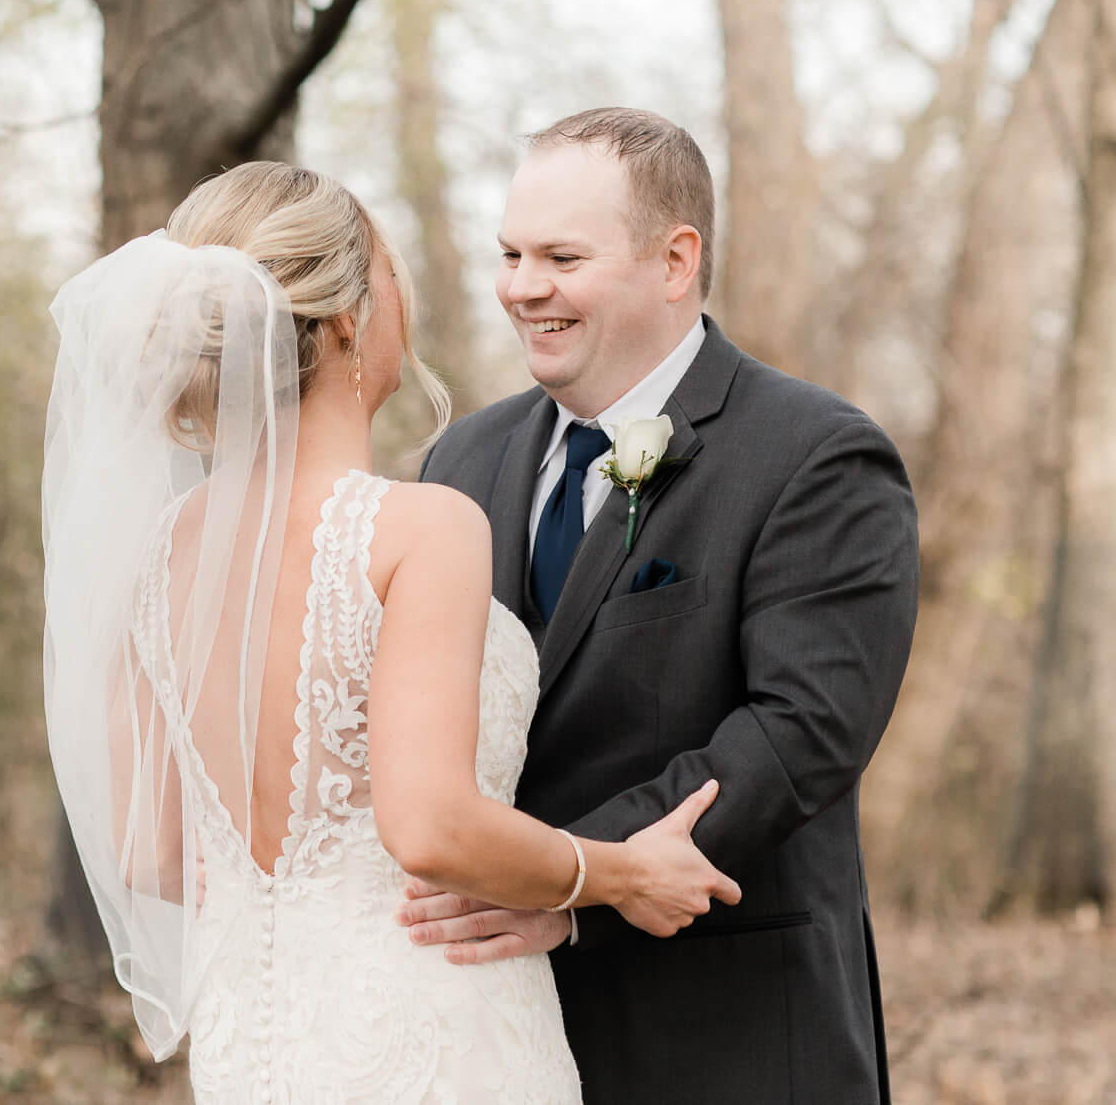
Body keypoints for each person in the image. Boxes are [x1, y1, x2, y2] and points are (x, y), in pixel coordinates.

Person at [41, 160, 739, 1102]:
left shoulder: (160, 553)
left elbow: (148, 853)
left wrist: (290, 908)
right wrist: (616, 872)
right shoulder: (419, 527)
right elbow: (430, 825)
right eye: (389, 274)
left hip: (255, 1038)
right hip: (431, 1027)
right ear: (343, 323)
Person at [407, 108, 921, 1103]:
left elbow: (798, 732)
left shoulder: (812, 454)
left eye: (561, 255)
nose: (521, 286)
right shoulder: (458, 462)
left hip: (723, 1022)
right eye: (510, 253)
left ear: (675, 258)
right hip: (487, 1027)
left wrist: (566, 884)